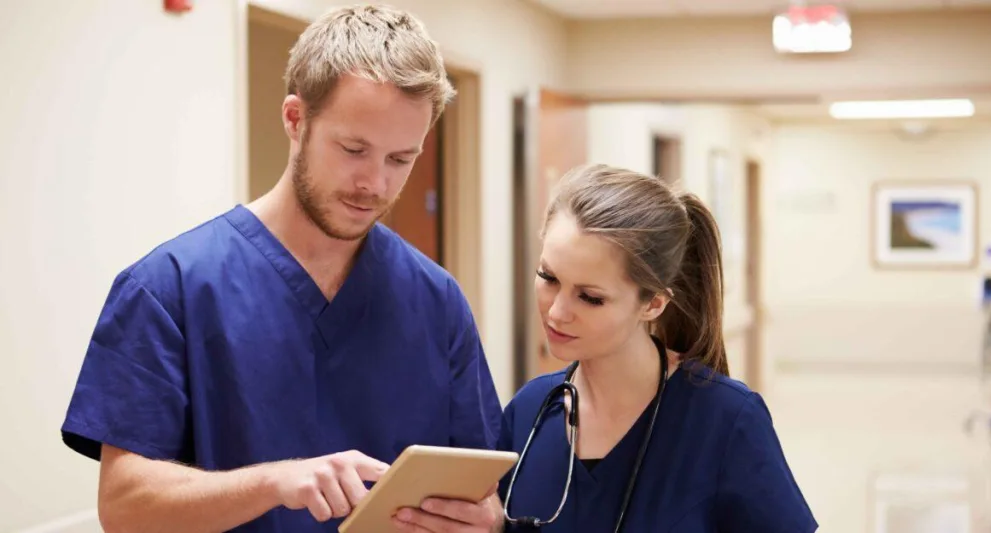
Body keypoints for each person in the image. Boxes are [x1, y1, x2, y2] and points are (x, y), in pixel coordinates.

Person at [60, 5, 503, 533]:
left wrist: (487, 520)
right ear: (296, 119)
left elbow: (487, 491)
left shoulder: (436, 301)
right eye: (353, 149)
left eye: (399, 159)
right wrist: (274, 483)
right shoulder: (169, 288)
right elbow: (125, 507)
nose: (376, 185)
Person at [496, 164, 817, 532]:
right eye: (548, 278)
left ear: (653, 304)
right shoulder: (529, 411)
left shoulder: (725, 420)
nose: (557, 311)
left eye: (590, 298)